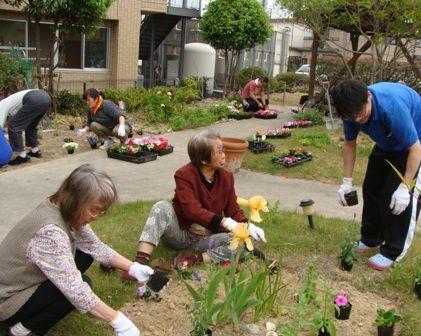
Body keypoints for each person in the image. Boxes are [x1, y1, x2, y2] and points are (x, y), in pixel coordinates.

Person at [0, 164, 153, 336]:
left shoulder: (61, 208)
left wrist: (133, 268)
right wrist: (117, 320)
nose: (96, 217)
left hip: (25, 280)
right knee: (80, 285)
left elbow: (94, 246)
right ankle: (20, 331)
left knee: (85, 255)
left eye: (102, 212)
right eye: (94, 210)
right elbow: (75, 290)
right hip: (7, 298)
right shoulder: (50, 232)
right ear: (74, 201)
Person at [122, 130, 267, 281]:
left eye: (223, 149)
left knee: (243, 242)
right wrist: (225, 222)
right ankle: (139, 263)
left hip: (207, 240)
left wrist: (247, 226)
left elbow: (233, 210)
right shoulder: (184, 175)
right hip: (181, 235)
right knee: (161, 207)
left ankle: (194, 258)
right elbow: (192, 210)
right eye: (219, 151)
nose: (224, 153)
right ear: (204, 160)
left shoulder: (227, 178)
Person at [332, 79, 421, 271]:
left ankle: (394, 251)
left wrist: (405, 186)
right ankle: (371, 238)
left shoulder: (392, 107)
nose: (357, 120)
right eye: (352, 117)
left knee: (403, 198)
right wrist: (346, 181)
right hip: (387, 141)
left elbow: (414, 149)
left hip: (417, 140)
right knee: (373, 186)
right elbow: (349, 144)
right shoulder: (351, 111)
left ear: (369, 97)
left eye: (360, 114)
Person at [0, 89, 50, 165]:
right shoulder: (9, 102)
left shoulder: (1, 106)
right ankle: (35, 151)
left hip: (34, 99)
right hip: (46, 98)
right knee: (31, 125)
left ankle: (22, 156)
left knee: (13, 126)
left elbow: (0, 128)